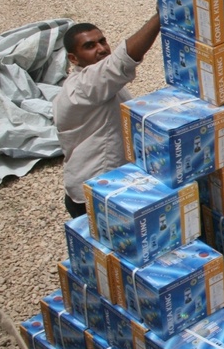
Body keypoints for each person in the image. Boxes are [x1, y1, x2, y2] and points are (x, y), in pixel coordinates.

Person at [53, 13, 161, 218]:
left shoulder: (103, 85)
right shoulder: (85, 86)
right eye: (90, 46)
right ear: (73, 58)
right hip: (93, 195)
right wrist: (160, 16)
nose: (101, 48)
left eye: (102, 41)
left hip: (109, 187)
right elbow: (122, 61)